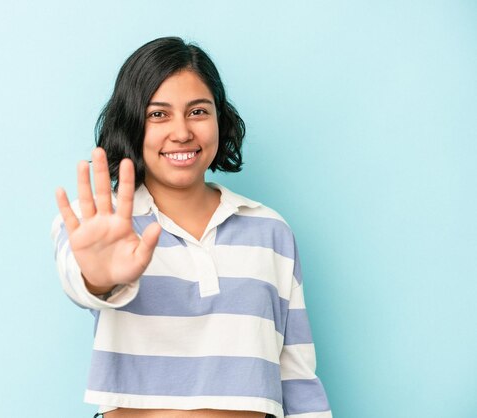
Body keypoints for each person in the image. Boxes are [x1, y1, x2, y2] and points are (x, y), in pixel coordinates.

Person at [51, 37, 332, 418]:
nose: (181, 132)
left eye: (198, 111)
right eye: (158, 114)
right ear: (132, 123)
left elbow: (298, 379)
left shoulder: (270, 231)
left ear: (220, 117)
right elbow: (80, 278)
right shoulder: (102, 223)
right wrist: (98, 278)